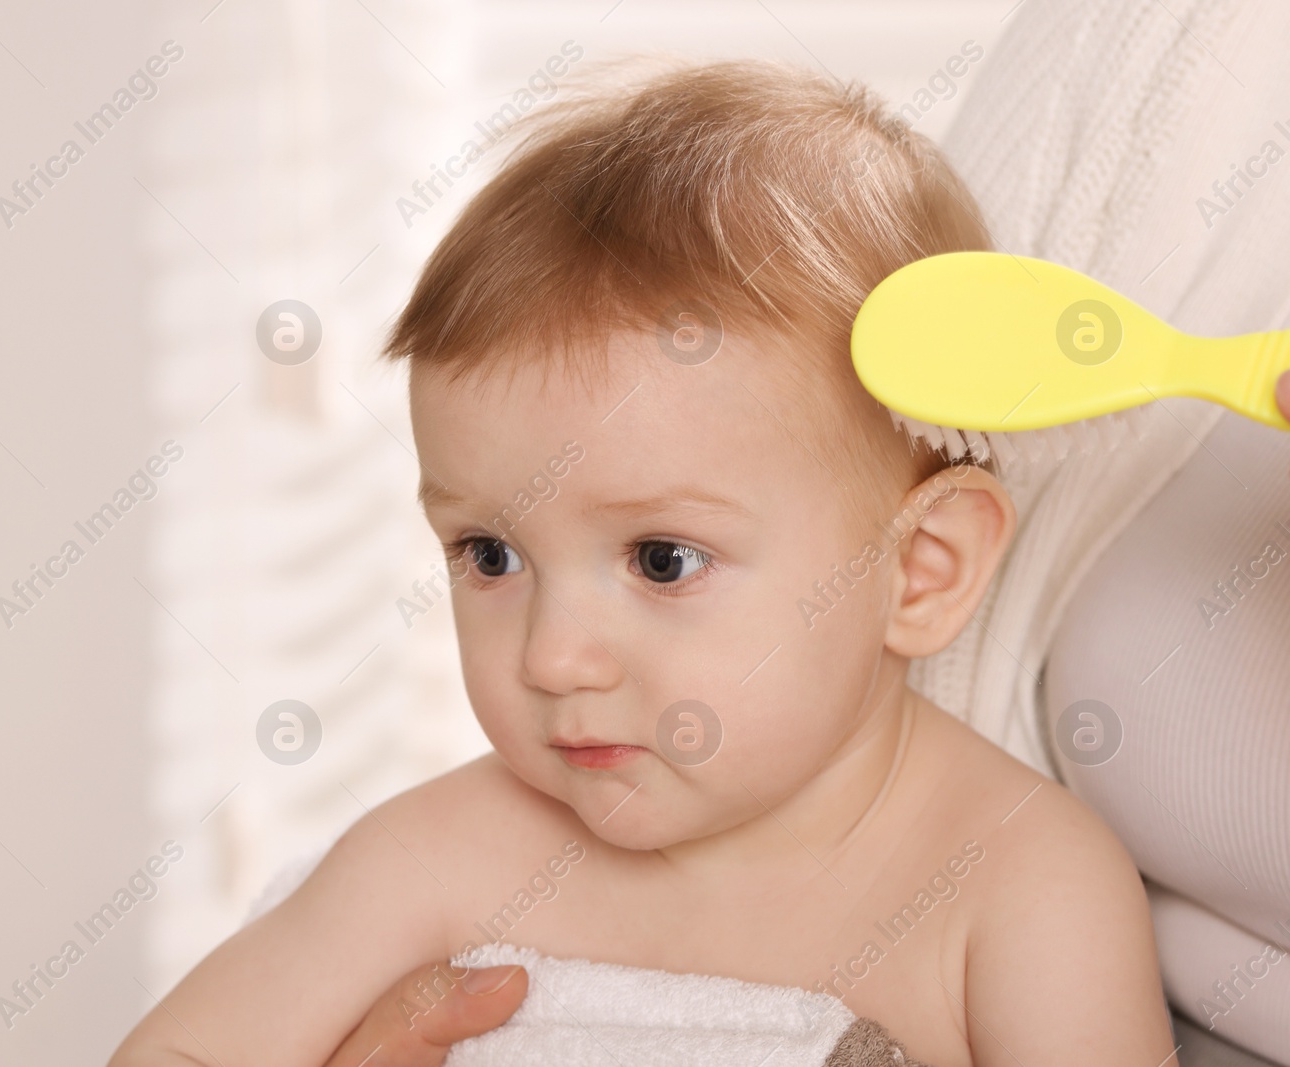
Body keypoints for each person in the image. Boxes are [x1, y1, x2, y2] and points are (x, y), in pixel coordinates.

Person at [109, 60, 1176, 1066]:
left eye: (662, 559)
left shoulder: (1015, 888)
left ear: (923, 569)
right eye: (490, 552)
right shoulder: (440, 857)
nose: (554, 655)